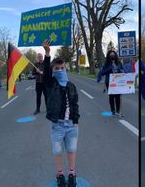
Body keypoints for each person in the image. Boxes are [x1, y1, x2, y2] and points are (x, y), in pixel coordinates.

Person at [42, 40, 80, 187]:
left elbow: (75, 105)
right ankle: (60, 174)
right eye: (56, 68)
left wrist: (76, 122)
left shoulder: (71, 86)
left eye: (62, 68)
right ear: (53, 71)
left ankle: (72, 173)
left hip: (71, 125)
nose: (59, 70)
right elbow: (45, 74)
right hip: (57, 125)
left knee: (71, 150)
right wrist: (47, 53)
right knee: (58, 151)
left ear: (65, 69)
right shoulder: (51, 84)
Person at [101, 50, 124, 116]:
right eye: (111, 55)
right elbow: (102, 73)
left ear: (115, 56)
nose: (112, 56)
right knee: (111, 96)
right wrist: (110, 68)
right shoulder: (106, 64)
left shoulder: (119, 63)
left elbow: (122, 70)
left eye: (113, 55)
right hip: (109, 82)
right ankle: (113, 110)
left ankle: (118, 110)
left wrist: (120, 71)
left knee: (117, 96)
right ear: (108, 56)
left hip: (118, 82)